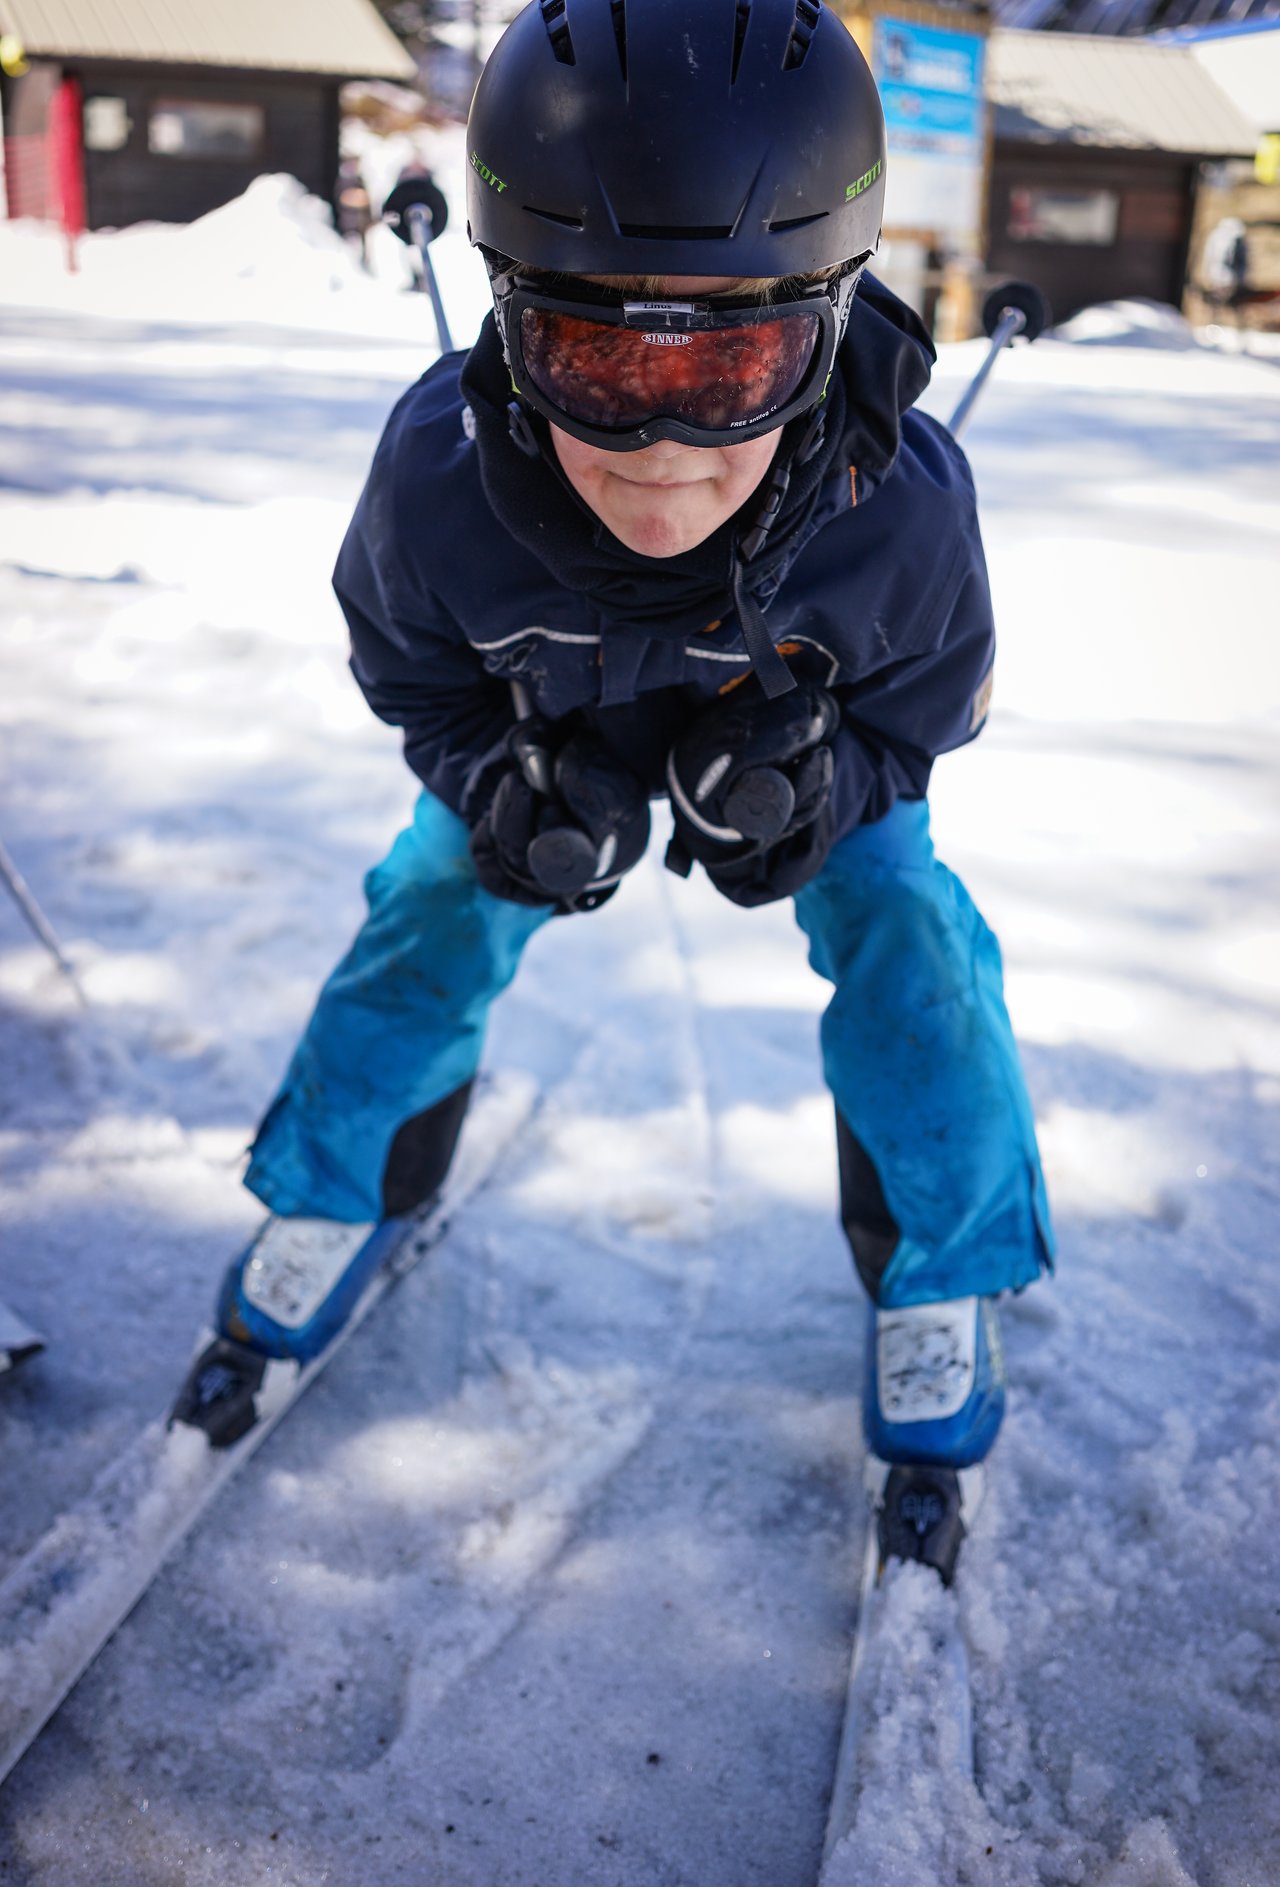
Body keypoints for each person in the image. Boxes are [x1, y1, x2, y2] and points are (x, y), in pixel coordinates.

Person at [183, 0, 1054, 1556]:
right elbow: (412, 671)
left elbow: (920, 718)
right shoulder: (442, 484)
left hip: (786, 738)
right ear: (511, 318)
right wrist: (502, 783)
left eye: (735, 366)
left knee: (911, 931)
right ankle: (339, 1180)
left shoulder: (900, 513)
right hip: (551, 727)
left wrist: (818, 788)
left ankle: (942, 1270)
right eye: (592, 354)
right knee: (433, 895)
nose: (660, 445)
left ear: (834, 318)